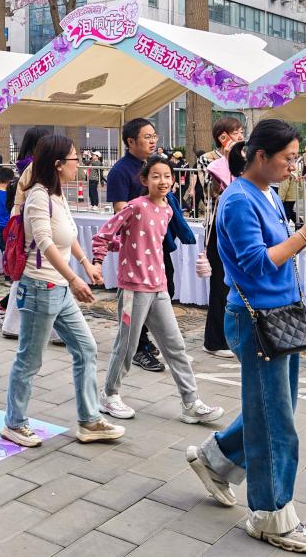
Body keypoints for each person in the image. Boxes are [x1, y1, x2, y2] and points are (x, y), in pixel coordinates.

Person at [185, 119, 306, 554]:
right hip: (255, 320)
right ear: (259, 156)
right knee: (277, 421)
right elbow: (254, 263)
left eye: (296, 158)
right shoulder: (237, 200)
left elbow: (274, 253)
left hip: (279, 315)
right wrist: (304, 236)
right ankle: (271, 515)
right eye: (288, 158)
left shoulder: (268, 193)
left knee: (274, 409)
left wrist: (305, 235)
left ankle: (215, 460)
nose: (294, 165)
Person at [1, 135, 123, 447]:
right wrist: (74, 278)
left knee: (86, 349)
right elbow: (44, 241)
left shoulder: (57, 195)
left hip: (59, 289)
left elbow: (68, 233)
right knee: (29, 359)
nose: (78, 163)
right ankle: (14, 423)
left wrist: (85, 263)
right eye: (73, 159)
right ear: (58, 165)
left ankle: (89, 420)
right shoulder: (38, 196)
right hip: (40, 286)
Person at [93, 155, 225, 425]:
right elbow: (106, 233)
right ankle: (109, 394)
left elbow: (147, 241)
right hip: (133, 288)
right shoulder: (135, 206)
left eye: (167, 176)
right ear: (144, 180)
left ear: (173, 181)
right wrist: (98, 259)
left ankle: (191, 403)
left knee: (175, 346)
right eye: (156, 176)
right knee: (126, 346)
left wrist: (124, 244)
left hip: (159, 287)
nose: (162, 181)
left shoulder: (166, 209)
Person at [106, 117, 164, 372]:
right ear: (131, 141)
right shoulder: (120, 171)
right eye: (147, 137)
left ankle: (146, 341)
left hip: (157, 243)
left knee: (155, 294)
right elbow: (120, 211)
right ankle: (138, 348)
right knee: (136, 297)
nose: (153, 141)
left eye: (154, 136)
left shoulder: (152, 166)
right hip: (136, 248)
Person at [0, 127, 48, 330]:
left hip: (27, 224)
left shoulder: (29, 165)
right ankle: (5, 308)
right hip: (27, 227)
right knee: (24, 273)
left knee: (25, 274)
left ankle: (9, 311)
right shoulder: (32, 167)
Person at [202, 117, 245, 358]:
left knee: (230, 284)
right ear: (223, 136)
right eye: (237, 132)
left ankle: (228, 336)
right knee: (219, 284)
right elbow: (208, 194)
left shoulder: (242, 158)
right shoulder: (209, 161)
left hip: (234, 228)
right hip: (218, 228)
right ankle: (214, 340)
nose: (241, 136)